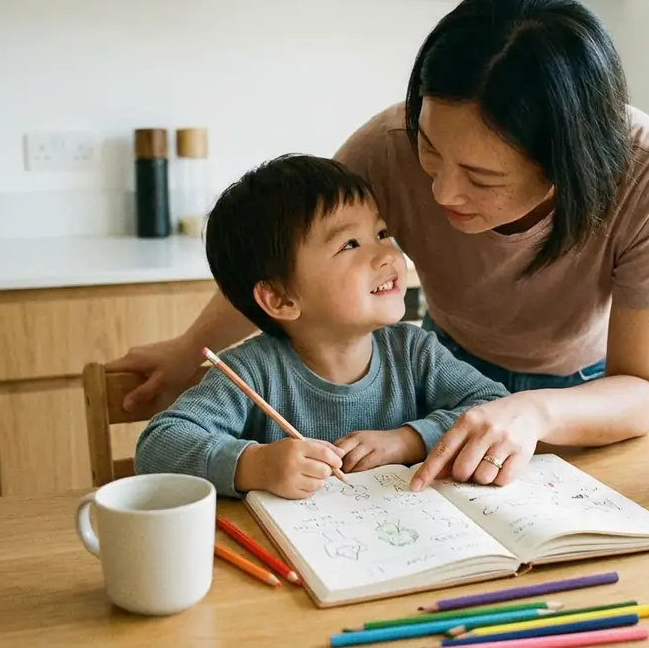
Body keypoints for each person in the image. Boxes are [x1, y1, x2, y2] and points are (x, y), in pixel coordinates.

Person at [113, 0, 649, 494]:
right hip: (449, 368)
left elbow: (644, 387)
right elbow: (284, 255)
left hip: (584, 399)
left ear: (566, 164)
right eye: (430, 150)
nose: (441, 192)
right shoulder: (386, 149)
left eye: (482, 177)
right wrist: (193, 349)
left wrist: (528, 413)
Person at [133, 154, 510, 500]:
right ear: (280, 299)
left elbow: (495, 407)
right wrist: (255, 465)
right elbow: (157, 445)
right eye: (349, 244)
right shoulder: (251, 373)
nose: (388, 254)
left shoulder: (413, 352)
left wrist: (409, 440)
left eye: (380, 233)